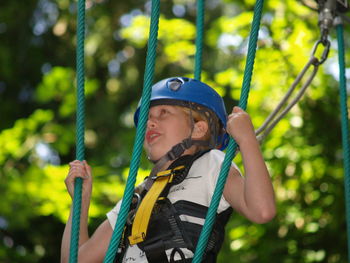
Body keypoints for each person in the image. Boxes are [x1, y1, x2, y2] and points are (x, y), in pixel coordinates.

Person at [60, 77, 276, 263]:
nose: (150, 123)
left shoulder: (211, 164)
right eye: (147, 118)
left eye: (163, 113)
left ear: (199, 128)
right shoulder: (136, 198)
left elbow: (261, 210)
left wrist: (247, 139)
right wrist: (80, 201)